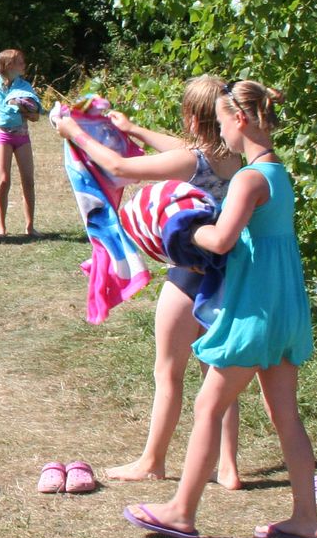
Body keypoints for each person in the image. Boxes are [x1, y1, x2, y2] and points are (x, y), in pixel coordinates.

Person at [124, 80, 317, 538]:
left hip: (254, 313)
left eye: (221, 123)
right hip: (286, 311)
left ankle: (181, 512)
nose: (220, 132)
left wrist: (175, 224)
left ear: (239, 120)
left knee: (207, 405)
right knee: (286, 415)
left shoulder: (249, 179)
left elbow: (220, 240)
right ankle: (305, 518)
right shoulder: (278, 173)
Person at [56, 76, 245, 485]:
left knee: (168, 372)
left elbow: (120, 167)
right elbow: (182, 149)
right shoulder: (239, 160)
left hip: (188, 278)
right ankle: (229, 467)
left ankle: (152, 461)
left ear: (191, 118)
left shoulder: (192, 163)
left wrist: (74, 132)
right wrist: (135, 130)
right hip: (231, 278)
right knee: (218, 374)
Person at [0, 48, 41, 237]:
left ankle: (30, 227)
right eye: (20, 62)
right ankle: (1, 227)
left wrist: (18, 107)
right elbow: (2, 118)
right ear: (9, 65)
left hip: (22, 137)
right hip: (3, 137)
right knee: (4, 180)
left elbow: (36, 114)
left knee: (28, 180)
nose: (24, 65)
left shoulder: (24, 85)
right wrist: (22, 110)